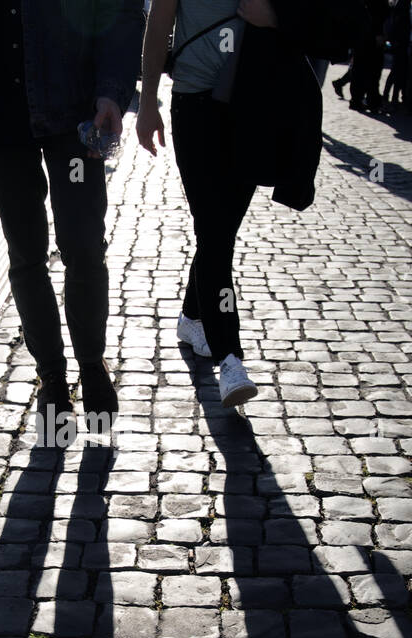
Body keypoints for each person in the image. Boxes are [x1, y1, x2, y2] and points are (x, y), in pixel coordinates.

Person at [0, 0, 143, 437]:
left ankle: (91, 365)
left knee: (83, 247)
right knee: (26, 255)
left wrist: (112, 90)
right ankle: (52, 377)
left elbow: (120, 11)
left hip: (73, 112)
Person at [138, 0, 321, 408]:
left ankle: (192, 318)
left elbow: (322, 21)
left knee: (217, 231)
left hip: (256, 108)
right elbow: (159, 26)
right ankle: (230, 359)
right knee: (216, 233)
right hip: (195, 104)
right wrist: (148, 100)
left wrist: (275, 15)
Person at [349, 0, 390, 113]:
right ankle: (372, 102)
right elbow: (377, 13)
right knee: (373, 70)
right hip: (372, 37)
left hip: (362, 36)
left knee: (359, 68)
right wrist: (379, 33)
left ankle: (357, 100)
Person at [382, 0, 411, 109]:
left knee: (397, 70)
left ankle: (390, 95)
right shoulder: (405, 4)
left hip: (398, 39)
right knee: (399, 70)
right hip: (402, 40)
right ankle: (393, 97)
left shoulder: (400, 3)